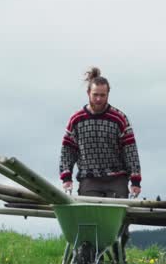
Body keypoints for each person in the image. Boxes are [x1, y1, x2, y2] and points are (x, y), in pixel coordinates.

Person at [59, 66, 142, 201]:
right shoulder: (76, 120)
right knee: (90, 212)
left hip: (116, 178)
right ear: (88, 93)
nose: (98, 99)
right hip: (89, 178)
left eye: (102, 95)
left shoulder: (119, 119)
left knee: (116, 211)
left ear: (108, 94)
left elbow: (130, 151)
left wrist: (135, 180)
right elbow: (68, 151)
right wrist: (66, 177)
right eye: (95, 95)